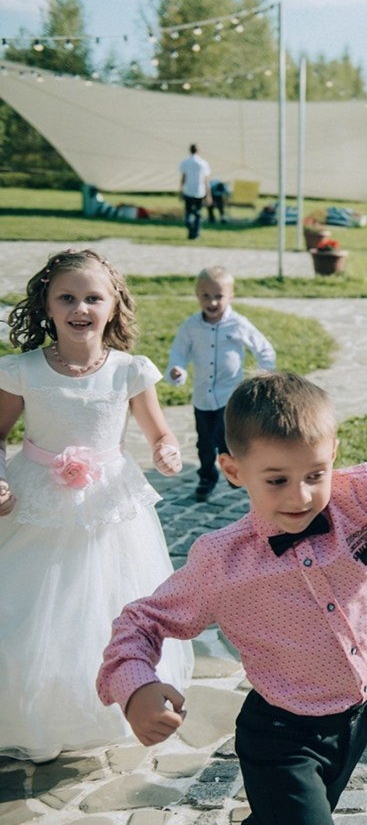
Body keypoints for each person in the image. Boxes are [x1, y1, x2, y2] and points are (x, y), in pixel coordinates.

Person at [97, 372, 367, 823]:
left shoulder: (366, 499)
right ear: (234, 471)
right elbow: (140, 622)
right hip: (279, 738)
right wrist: (136, 688)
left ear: (333, 454)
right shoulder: (221, 561)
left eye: (314, 475)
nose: (301, 496)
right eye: (277, 480)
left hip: (359, 717)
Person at [0, 249, 193, 763]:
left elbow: (160, 432)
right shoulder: (23, 371)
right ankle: (30, 710)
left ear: (113, 306)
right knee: (32, 610)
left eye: (92, 298)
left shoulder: (129, 371)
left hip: (110, 506)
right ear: (47, 305)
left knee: (106, 607)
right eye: (66, 297)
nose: (80, 308)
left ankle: (105, 702)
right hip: (38, 501)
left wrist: (166, 450)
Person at [167, 266, 277, 501]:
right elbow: (179, 352)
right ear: (197, 295)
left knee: (225, 439)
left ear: (231, 296)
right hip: (202, 398)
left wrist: (263, 376)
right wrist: (177, 370)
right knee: (204, 443)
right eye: (206, 296)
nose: (212, 302)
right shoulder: (191, 326)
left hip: (229, 396)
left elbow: (264, 350)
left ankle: (234, 474)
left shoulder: (238, 324)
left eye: (219, 296)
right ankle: (207, 477)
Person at [179, 143, 211, 241]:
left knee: (188, 212)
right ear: (198, 151)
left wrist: (181, 190)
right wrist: (208, 194)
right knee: (197, 213)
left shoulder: (185, 162)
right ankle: (196, 234)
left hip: (188, 190)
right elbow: (206, 180)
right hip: (199, 191)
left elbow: (183, 178)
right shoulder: (203, 163)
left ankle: (191, 230)